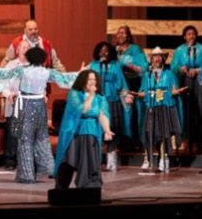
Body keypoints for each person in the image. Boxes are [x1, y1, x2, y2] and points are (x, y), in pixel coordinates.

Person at [0, 47, 76, 184]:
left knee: (25, 139)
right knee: (42, 137)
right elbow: (65, 78)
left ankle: (27, 174)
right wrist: (81, 73)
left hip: (26, 105)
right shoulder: (46, 72)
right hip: (40, 106)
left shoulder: (23, 70)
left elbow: (4, 74)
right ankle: (47, 168)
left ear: (29, 58)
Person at [53, 69, 114, 190]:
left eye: (94, 80)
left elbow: (102, 114)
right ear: (82, 81)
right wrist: (91, 95)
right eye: (89, 79)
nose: (92, 82)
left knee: (89, 161)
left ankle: (88, 187)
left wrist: (107, 130)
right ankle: (61, 188)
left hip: (91, 131)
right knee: (68, 160)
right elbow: (82, 110)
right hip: (74, 131)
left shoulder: (100, 96)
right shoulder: (74, 93)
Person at [85, 42, 133, 172]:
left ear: (110, 52)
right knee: (96, 130)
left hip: (112, 102)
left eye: (106, 51)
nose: (104, 53)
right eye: (101, 51)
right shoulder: (93, 65)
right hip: (96, 103)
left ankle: (111, 161)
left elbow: (121, 84)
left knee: (112, 130)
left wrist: (127, 96)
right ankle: (96, 161)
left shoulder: (115, 66)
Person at [135, 47, 183, 173]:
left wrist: (175, 91)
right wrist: (136, 94)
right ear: (151, 59)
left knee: (163, 134)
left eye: (159, 56)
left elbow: (173, 89)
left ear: (162, 59)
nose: (157, 58)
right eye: (154, 56)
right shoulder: (147, 75)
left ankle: (163, 158)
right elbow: (144, 91)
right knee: (148, 132)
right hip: (151, 107)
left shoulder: (169, 74)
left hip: (163, 107)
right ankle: (147, 158)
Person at [170, 25, 202, 154]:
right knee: (186, 111)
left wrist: (198, 70)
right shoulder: (179, 50)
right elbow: (173, 66)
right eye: (188, 34)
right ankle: (187, 142)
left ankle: (200, 143)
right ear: (184, 37)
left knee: (199, 111)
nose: (191, 36)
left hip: (198, 82)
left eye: (193, 34)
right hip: (184, 82)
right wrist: (181, 69)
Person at [114, 25, 147, 147]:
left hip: (132, 83)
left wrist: (132, 67)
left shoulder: (135, 49)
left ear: (128, 36)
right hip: (119, 84)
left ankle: (135, 140)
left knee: (132, 112)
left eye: (123, 33)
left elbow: (144, 68)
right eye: (119, 33)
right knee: (120, 112)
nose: (120, 35)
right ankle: (122, 140)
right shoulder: (115, 50)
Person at [0, 39, 30, 170]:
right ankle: (10, 161)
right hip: (14, 101)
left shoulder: (33, 66)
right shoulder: (11, 65)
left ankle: (26, 160)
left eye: (27, 48)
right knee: (12, 133)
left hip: (28, 102)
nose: (25, 50)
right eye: (23, 47)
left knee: (27, 133)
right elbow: (4, 85)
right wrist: (9, 94)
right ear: (17, 50)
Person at [1, 19, 66, 71]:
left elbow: (56, 63)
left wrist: (65, 76)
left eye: (35, 29)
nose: (33, 32)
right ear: (25, 30)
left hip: (42, 80)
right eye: (30, 29)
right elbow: (6, 61)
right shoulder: (16, 43)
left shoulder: (46, 44)